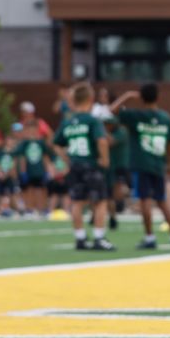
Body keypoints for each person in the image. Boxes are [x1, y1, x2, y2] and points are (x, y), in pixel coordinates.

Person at [110, 84, 170, 250]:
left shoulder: (136, 115)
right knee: (162, 201)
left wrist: (128, 96)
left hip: (142, 164)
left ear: (141, 98)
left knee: (145, 201)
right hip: (158, 163)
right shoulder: (165, 117)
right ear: (158, 97)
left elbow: (110, 111)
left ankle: (150, 237)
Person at [52, 82, 114, 250]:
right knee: (100, 201)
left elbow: (56, 144)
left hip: (75, 165)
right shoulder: (92, 120)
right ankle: (99, 238)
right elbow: (101, 141)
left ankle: (80, 238)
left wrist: (66, 159)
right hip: (91, 164)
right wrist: (105, 159)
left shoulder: (68, 121)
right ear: (91, 99)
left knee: (77, 202)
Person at [14, 124, 54, 217]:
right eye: (29, 131)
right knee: (29, 190)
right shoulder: (25, 143)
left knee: (42, 190)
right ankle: (30, 209)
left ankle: (42, 209)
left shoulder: (41, 143)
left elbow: (45, 157)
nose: (31, 133)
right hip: (29, 170)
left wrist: (48, 170)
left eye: (33, 130)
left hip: (40, 170)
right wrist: (23, 171)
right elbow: (23, 158)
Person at [103, 114, 130, 230]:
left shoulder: (121, 131)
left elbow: (110, 142)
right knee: (109, 194)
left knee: (117, 190)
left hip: (120, 165)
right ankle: (112, 216)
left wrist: (101, 132)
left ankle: (122, 204)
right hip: (110, 166)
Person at [0, 133, 20, 217]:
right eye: (9, 140)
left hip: (10, 176)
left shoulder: (14, 153)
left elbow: (13, 164)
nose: (10, 142)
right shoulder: (1, 152)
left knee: (13, 193)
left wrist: (6, 174)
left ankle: (16, 210)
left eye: (12, 140)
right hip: (0, 176)